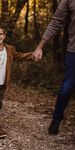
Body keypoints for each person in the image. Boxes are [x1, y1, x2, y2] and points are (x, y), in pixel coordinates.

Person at [33, 0, 75, 135]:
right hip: (73, 51)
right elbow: (55, 22)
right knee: (65, 89)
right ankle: (56, 119)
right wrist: (40, 46)